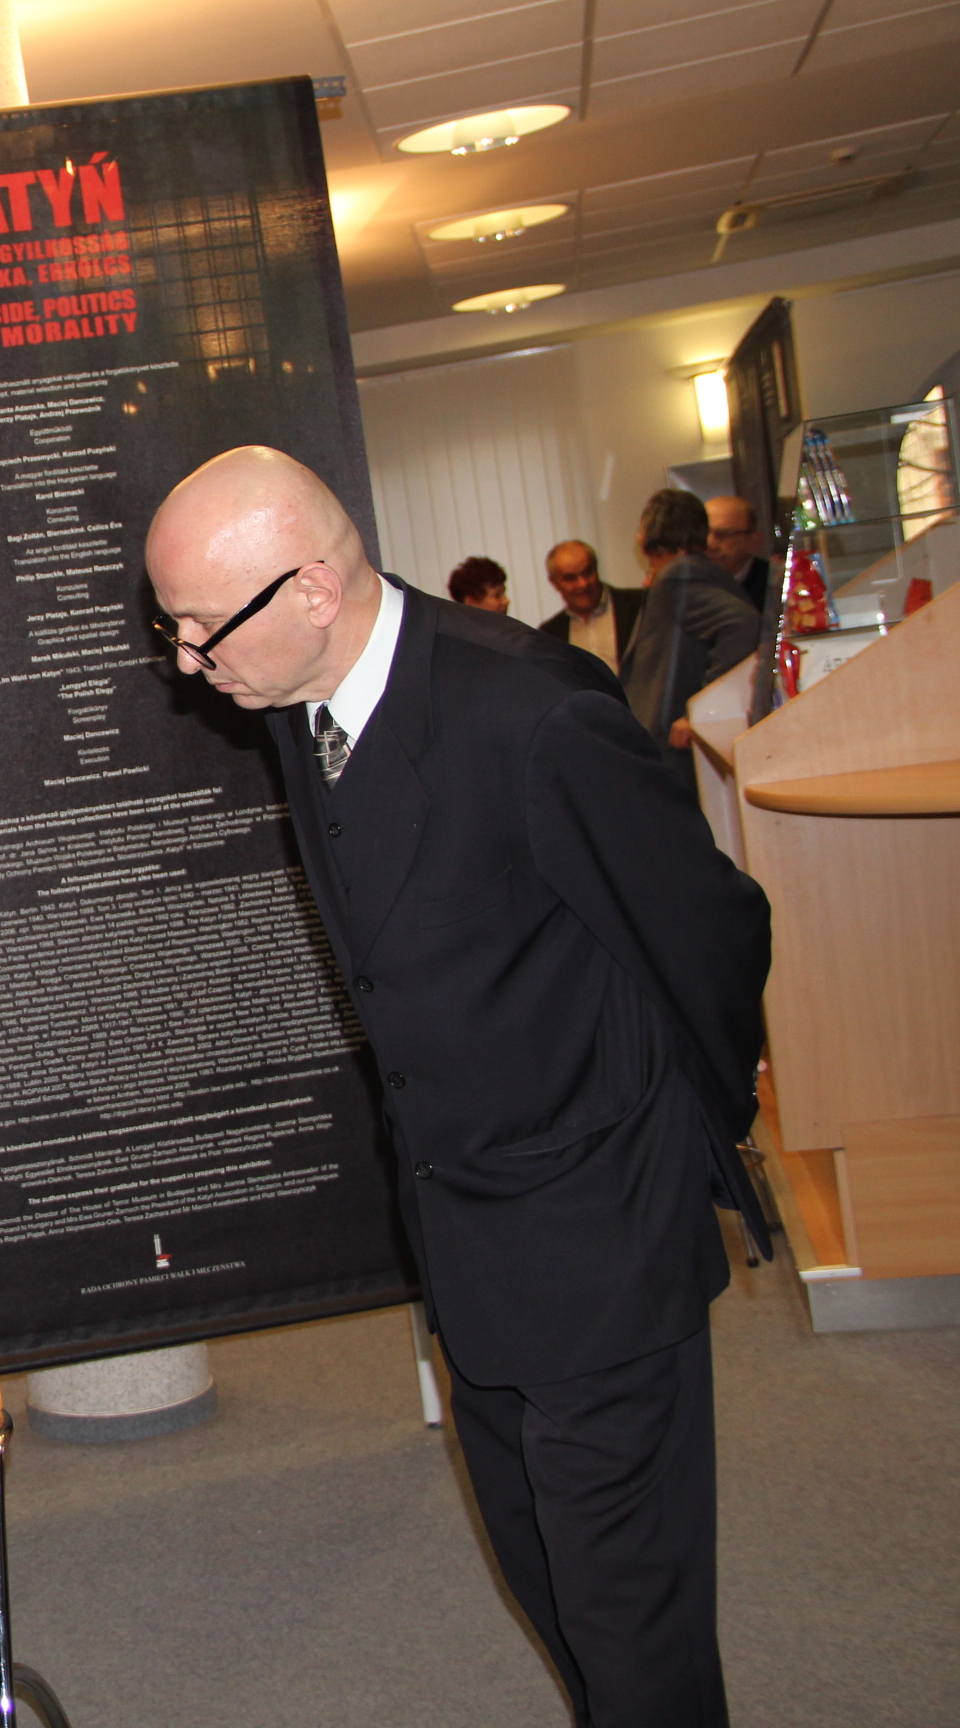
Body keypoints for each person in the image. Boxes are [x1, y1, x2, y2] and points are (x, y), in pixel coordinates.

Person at [145, 446, 771, 1728]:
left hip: (600, 1234)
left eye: (205, 627)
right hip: (466, 1238)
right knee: (547, 1579)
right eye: (174, 628)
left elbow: (712, 927)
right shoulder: (300, 707)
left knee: (631, 1624)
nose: (188, 663)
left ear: (315, 588)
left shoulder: (533, 711)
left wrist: (680, 1141)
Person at [617, 489, 763, 792]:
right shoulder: (701, 572)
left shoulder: (677, 577)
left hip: (669, 739)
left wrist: (699, 709)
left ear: (643, 540)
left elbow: (743, 624)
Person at [537, 539, 645, 674]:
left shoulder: (640, 605)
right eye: (571, 578)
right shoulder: (550, 634)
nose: (583, 584)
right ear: (554, 583)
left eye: (588, 572)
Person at [704, 495, 771, 614]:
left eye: (724, 534)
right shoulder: (685, 583)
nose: (710, 544)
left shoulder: (773, 586)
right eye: (704, 533)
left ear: (753, 541)